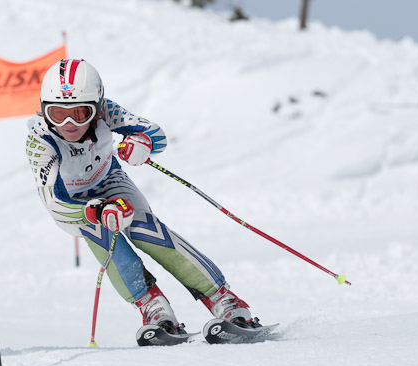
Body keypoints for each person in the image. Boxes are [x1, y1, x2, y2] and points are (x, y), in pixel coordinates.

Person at [26, 59, 260, 339]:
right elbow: (55, 206)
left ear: (97, 109)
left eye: (79, 113)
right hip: (79, 204)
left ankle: (225, 300)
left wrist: (143, 143)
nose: (68, 124)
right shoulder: (39, 140)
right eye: (57, 113)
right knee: (107, 243)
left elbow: (155, 133)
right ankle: (155, 309)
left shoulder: (107, 112)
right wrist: (95, 213)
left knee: (145, 231)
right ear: (43, 110)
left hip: (111, 182)